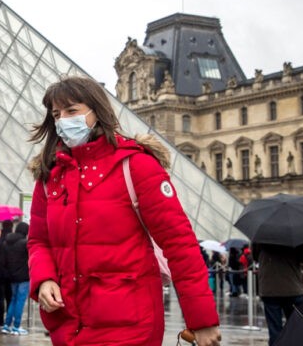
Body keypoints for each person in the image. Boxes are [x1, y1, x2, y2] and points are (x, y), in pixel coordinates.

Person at [26, 76, 221, 346]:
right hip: (69, 325)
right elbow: (39, 240)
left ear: (97, 112)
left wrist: (202, 321)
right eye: (56, 114)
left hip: (130, 326)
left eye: (72, 111)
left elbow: (180, 244)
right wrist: (44, 279)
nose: (62, 121)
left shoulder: (137, 166)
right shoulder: (50, 177)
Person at [253, 242, 303, 345]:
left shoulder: (262, 233)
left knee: (275, 330)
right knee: (296, 329)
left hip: (269, 287)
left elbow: (255, 256)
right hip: (292, 287)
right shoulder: (296, 234)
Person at [0, 222, 30, 336]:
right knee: (20, 301)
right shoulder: (24, 244)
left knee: (13, 300)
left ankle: (7, 325)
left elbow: (3, 261)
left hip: (12, 277)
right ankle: (16, 326)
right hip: (23, 277)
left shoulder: (6, 242)